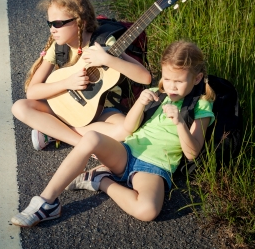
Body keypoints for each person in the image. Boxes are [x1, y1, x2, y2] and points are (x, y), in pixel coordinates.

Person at [11, 40, 216, 227]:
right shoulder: (158, 92)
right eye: (167, 78)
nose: (170, 86)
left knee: (148, 211)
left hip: (153, 166)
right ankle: (46, 202)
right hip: (125, 152)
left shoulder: (200, 105)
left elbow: (192, 153)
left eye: (178, 82)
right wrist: (141, 103)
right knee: (91, 138)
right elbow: (129, 128)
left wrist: (180, 122)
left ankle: (101, 179)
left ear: (197, 78)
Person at [11, 0, 151, 150]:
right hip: (65, 106)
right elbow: (32, 92)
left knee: (124, 130)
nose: (52, 30)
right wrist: (67, 83)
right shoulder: (58, 46)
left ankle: (54, 132)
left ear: (81, 23)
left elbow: (145, 78)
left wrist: (107, 59)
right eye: (49, 24)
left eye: (57, 24)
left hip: (101, 113)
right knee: (20, 107)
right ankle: (81, 143)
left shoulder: (103, 43)